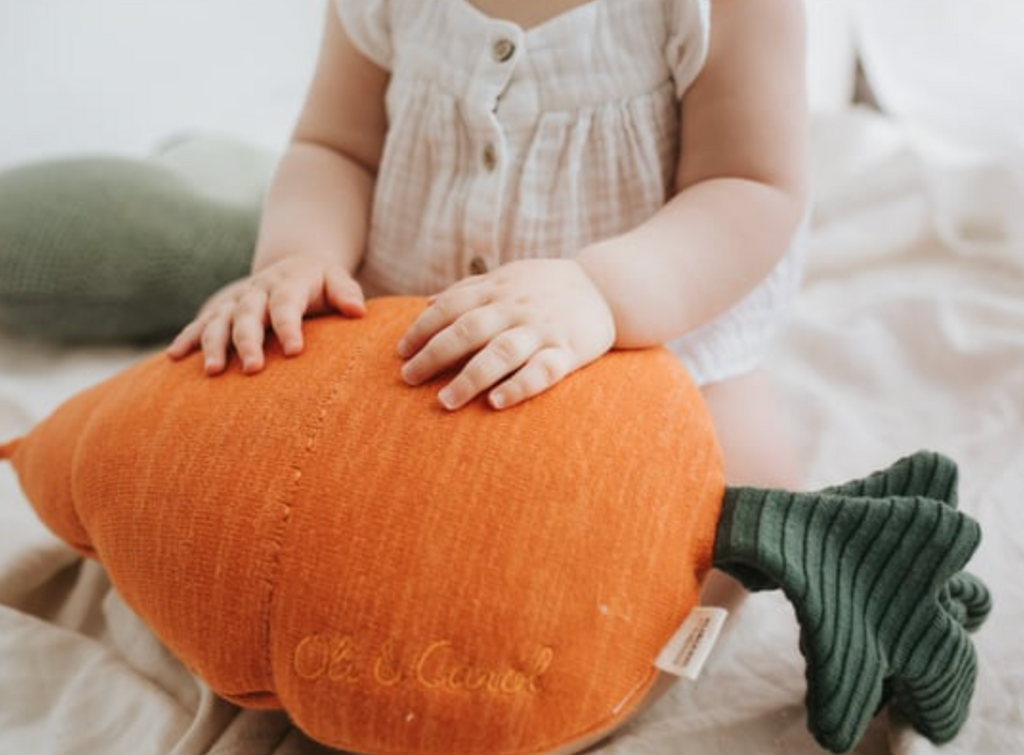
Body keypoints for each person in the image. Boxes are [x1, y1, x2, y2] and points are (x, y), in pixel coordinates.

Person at [168, 0, 808, 491]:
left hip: (643, 330)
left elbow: (748, 184)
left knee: (742, 483)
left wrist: (602, 292)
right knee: (236, 442)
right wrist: (300, 256)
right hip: (407, 331)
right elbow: (336, 148)